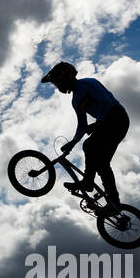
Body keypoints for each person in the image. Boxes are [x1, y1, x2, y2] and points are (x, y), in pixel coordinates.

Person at [40, 62, 130, 212]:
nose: (57, 87)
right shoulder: (75, 101)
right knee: (101, 164)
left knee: (89, 145)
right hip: (108, 123)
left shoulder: (88, 83)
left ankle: (88, 182)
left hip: (117, 118)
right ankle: (114, 202)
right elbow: (82, 125)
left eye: (57, 82)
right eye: (55, 84)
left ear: (66, 77)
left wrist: (96, 125)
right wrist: (72, 143)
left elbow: (108, 104)